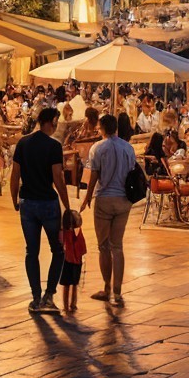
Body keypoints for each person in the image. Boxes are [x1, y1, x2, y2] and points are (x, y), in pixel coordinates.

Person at [10, 105, 70, 313]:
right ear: (51, 121)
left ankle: (35, 297)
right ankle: (49, 295)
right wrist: (67, 205)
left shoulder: (23, 143)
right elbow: (58, 178)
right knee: (58, 250)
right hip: (48, 203)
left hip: (27, 203)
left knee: (31, 251)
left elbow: (15, 174)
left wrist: (14, 199)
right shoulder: (54, 146)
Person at [81, 113, 136, 307]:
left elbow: (94, 175)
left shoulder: (97, 148)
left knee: (103, 246)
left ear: (102, 128)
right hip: (123, 200)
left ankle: (106, 288)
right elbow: (132, 172)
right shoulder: (128, 148)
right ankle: (118, 292)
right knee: (117, 246)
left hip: (104, 199)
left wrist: (87, 197)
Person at [59, 207, 86, 314]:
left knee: (69, 284)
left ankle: (69, 305)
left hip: (68, 260)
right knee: (73, 284)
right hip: (74, 261)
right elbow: (82, 248)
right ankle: (70, 305)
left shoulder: (66, 233)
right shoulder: (76, 233)